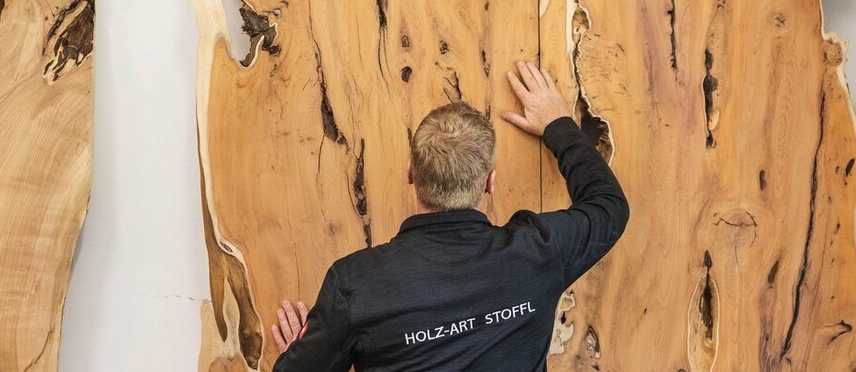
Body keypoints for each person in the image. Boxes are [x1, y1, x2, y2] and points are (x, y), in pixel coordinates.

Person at [270, 61, 630, 371]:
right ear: (490, 182)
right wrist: (559, 124)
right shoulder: (538, 251)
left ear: (411, 172)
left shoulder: (353, 284)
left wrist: (300, 357)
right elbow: (609, 206)